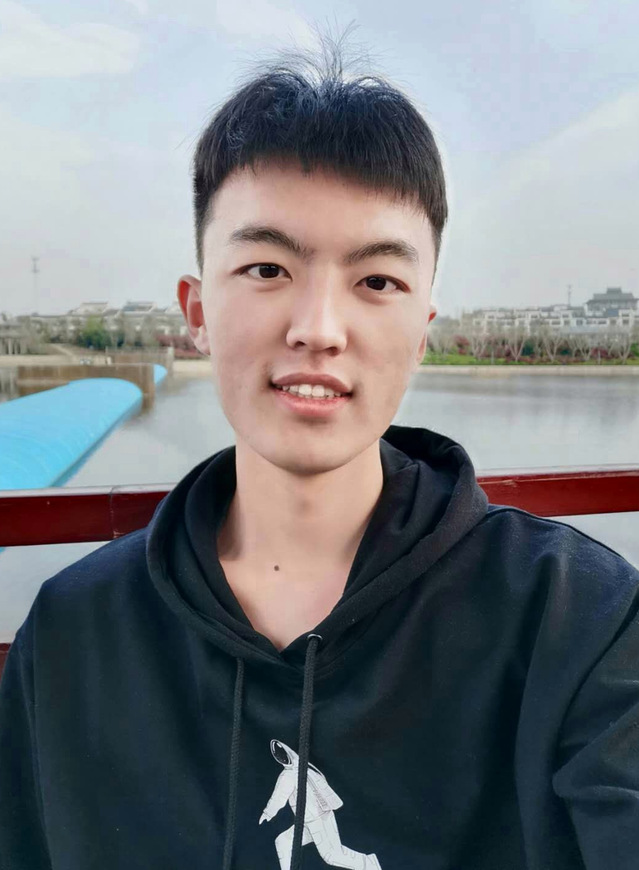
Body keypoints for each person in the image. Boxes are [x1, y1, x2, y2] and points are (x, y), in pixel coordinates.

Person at [1, 32, 638, 870]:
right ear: (196, 312)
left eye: (376, 281)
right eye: (267, 269)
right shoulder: (75, 634)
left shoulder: (573, 618)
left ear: (421, 331)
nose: (318, 329)